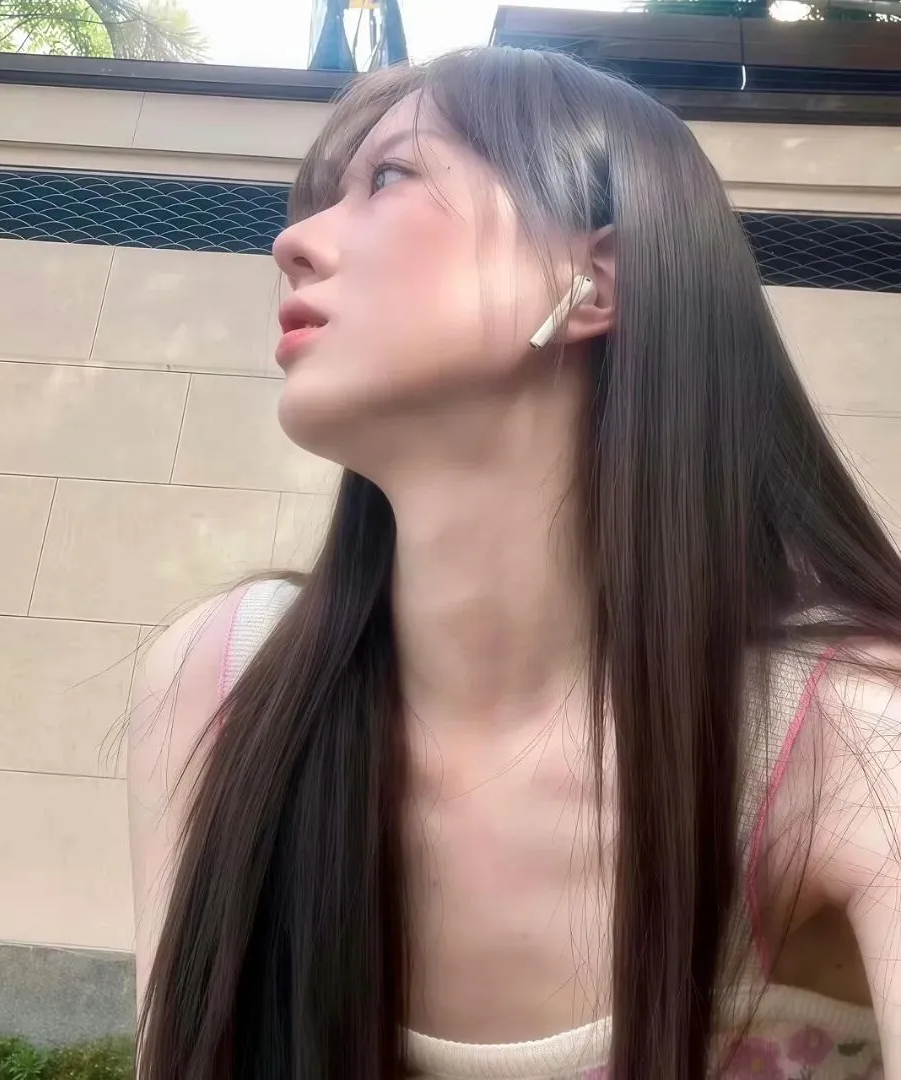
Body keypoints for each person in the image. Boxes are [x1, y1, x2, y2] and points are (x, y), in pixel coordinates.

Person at [127, 45, 901, 1080]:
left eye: (388, 177)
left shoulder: (845, 738)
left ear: (592, 281)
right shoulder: (222, 685)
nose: (293, 242)